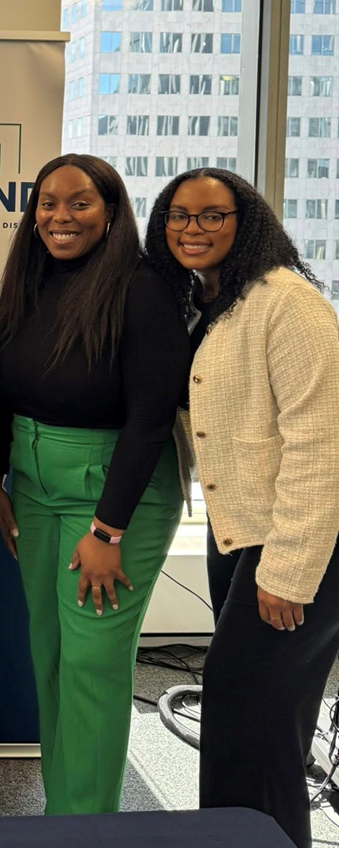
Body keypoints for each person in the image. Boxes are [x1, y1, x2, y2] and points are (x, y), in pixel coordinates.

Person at [144, 168, 339, 848]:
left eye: (211, 215)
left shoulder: (287, 303)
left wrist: (288, 569)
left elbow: (320, 441)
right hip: (240, 532)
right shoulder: (208, 301)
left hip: (296, 542)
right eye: (177, 215)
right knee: (257, 724)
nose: (191, 228)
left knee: (245, 716)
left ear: (245, 220)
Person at [0, 154, 189, 815]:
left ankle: (87, 827)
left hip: (113, 498)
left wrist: (107, 531)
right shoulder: (31, 279)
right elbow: (4, 391)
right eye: (47, 203)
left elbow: (150, 419)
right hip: (34, 488)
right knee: (49, 654)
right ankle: (64, 814)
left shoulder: (141, 289)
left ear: (110, 211)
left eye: (79, 202)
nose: (60, 216)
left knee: (92, 665)